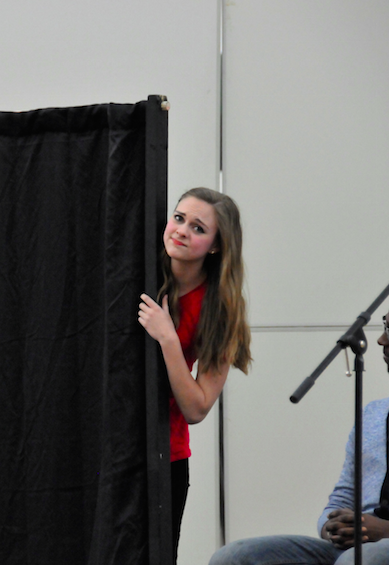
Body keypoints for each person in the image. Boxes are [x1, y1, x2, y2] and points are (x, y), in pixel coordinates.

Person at [209, 282, 389, 565]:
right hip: (352, 552)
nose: (381, 340)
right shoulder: (375, 413)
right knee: (235, 557)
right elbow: (344, 494)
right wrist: (331, 526)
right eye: (384, 326)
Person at [137, 187, 252, 561]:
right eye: (179, 218)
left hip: (163, 455)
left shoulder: (219, 309)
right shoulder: (135, 268)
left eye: (198, 228)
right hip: (109, 444)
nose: (182, 230)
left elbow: (197, 408)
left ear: (217, 246)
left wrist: (168, 338)